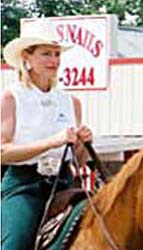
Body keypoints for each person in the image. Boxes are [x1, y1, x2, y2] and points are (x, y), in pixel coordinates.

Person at [1, 19, 93, 250]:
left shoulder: (71, 102)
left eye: (56, 54)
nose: (54, 60)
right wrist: (52, 142)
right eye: (46, 54)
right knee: (16, 242)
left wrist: (83, 143)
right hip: (25, 184)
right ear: (27, 58)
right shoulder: (12, 97)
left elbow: (80, 160)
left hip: (65, 185)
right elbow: (3, 152)